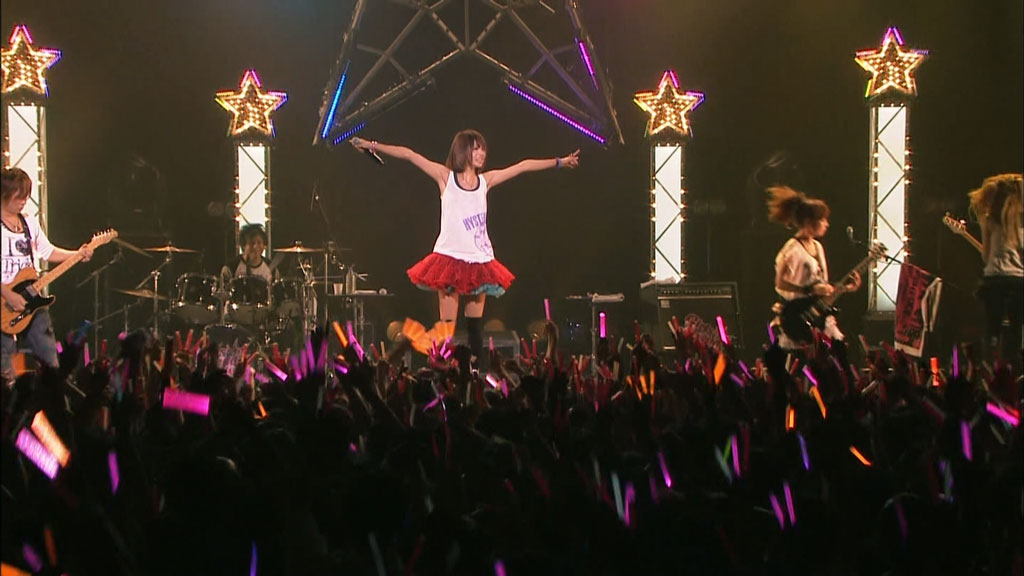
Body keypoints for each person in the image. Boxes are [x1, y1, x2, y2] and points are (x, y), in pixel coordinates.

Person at [350, 130, 579, 364]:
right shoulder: (445, 178)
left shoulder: (485, 181)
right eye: (476, 148)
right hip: (449, 260)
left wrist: (560, 162)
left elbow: (523, 166)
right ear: (463, 150)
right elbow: (410, 155)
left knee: (475, 329)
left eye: (483, 149)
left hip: (479, 262)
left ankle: (473, 374)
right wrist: (371, 145)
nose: (482, 153)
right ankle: (443, 374)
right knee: (446, 330)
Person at [1, 167, 93, 380]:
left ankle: (52, 394)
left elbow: (47, 251)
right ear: (4, 193)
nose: (23, 201)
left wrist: (77, 254)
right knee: (5, 371)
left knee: (50, 360)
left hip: (31, 300)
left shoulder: (29, 222)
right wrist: (8, 294)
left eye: (26, 196)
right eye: (18, 196)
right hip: (3, 300)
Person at [767, 185, 860, 348]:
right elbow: (779, 283)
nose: (826, 224)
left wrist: (846, 288)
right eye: (822, 220)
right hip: (797, 316)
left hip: (819, 316)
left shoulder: (818, 246)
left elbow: (821, 286)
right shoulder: (791, 249)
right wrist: (808, 290)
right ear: (809, 222)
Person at [968, 173, 1023, 360]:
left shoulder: (988, 219)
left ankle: (990, 361)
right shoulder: (1019, 220)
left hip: (995, 279)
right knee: (1016, 328)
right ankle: (1015, 364)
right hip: (1018, 281)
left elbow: (986, 256)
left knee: (993, 327)